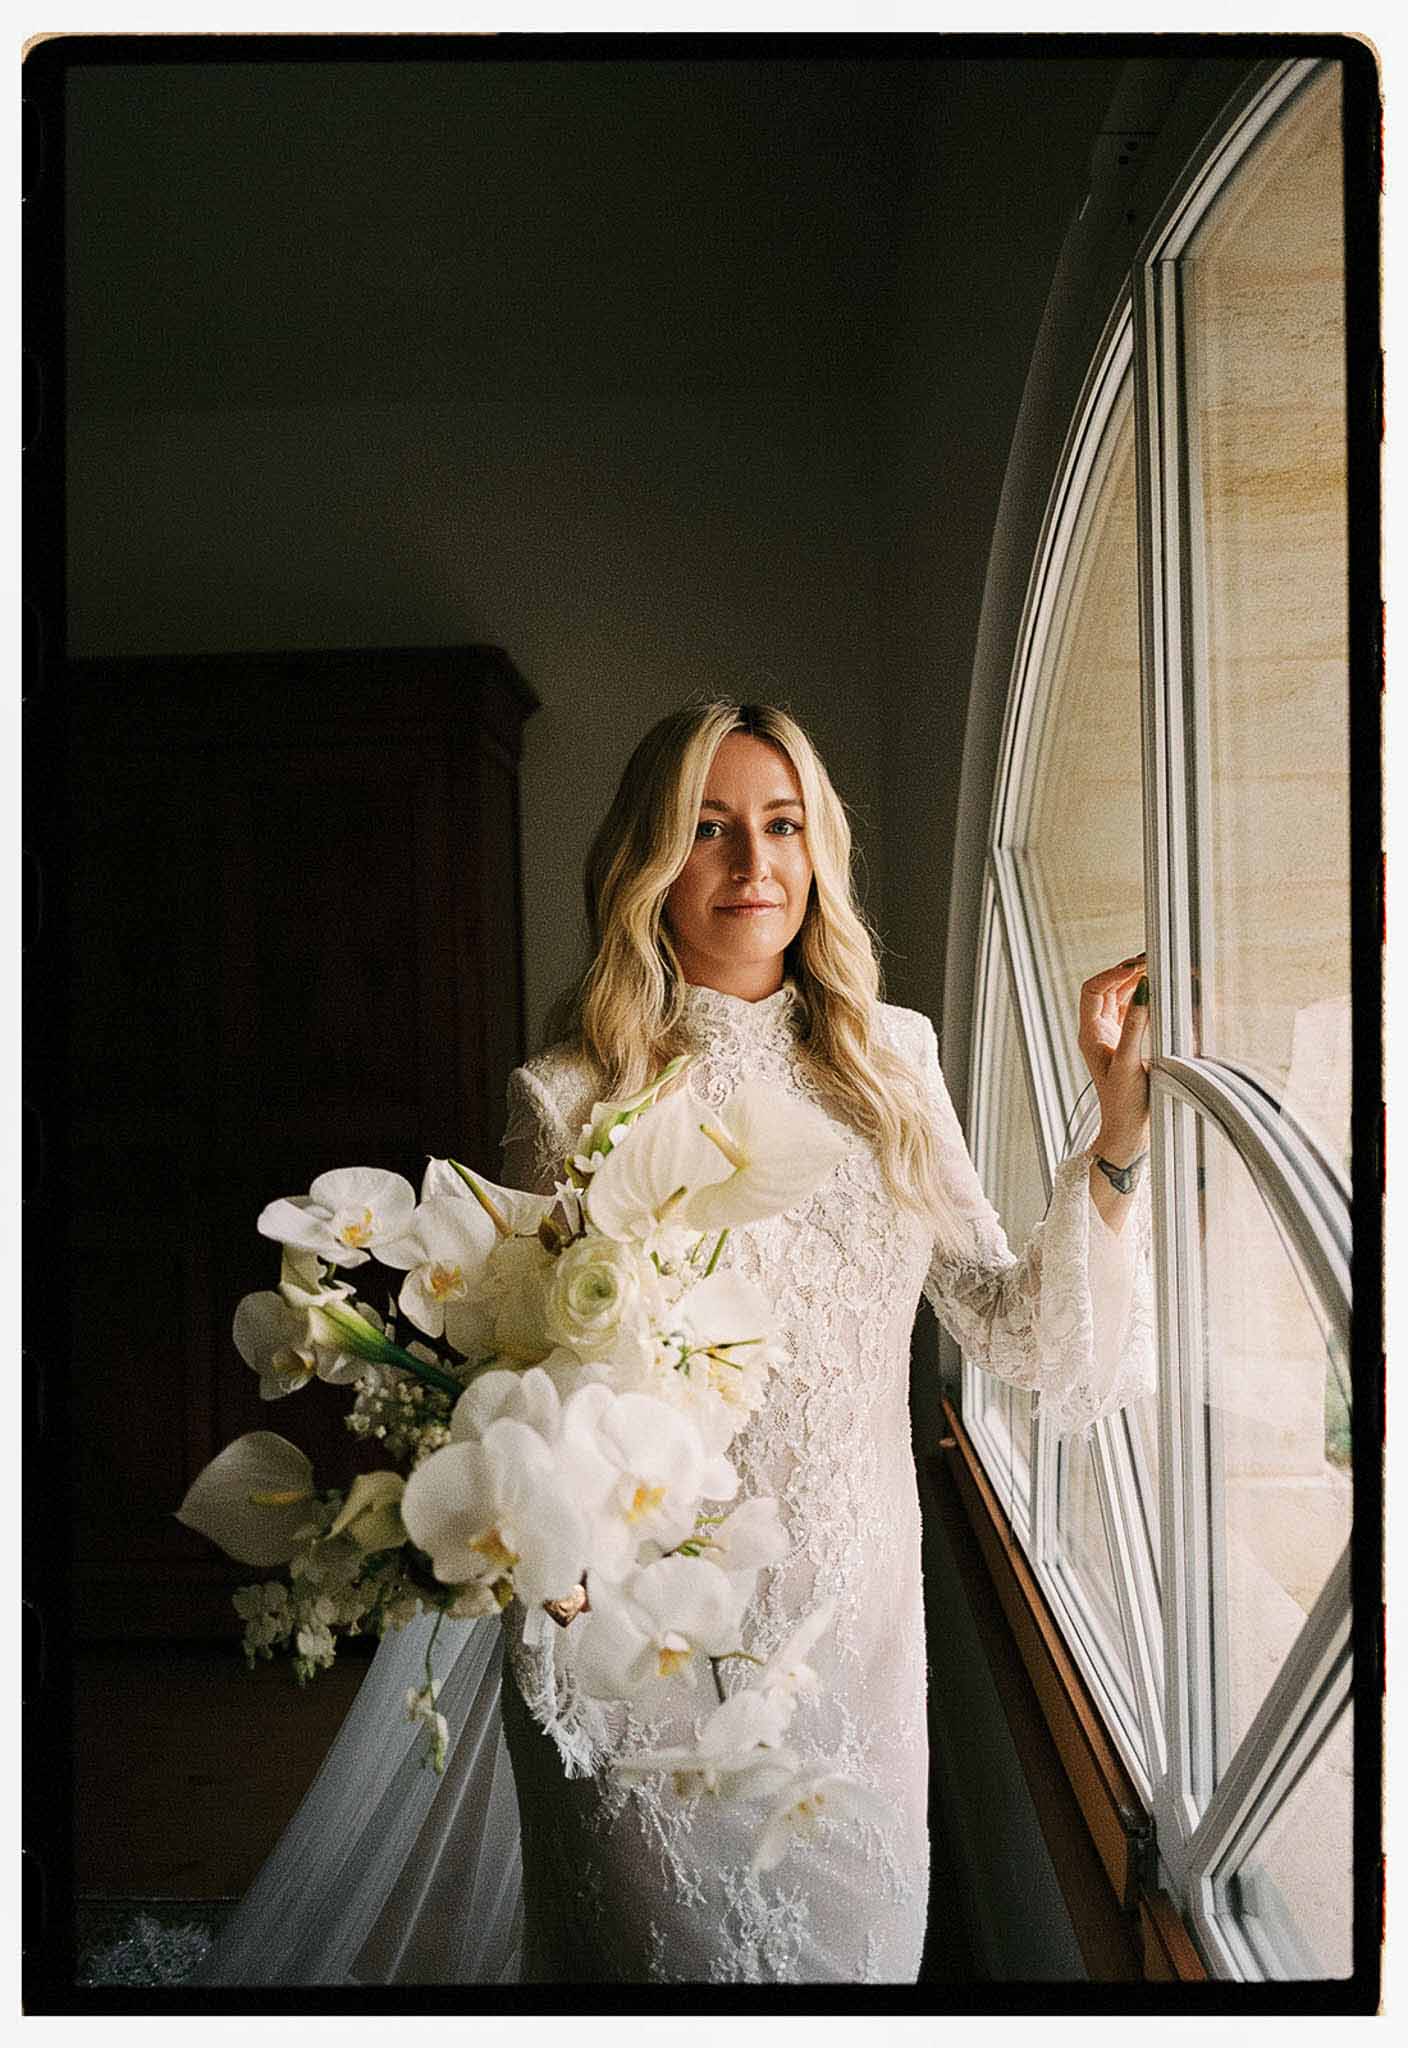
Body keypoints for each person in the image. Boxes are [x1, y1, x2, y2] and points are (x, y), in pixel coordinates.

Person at [191, 699, 1153, 1988]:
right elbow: (535, 1381)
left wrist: (1121, 1136)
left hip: (854, 1637)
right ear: (650, 863)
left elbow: (1021, 1334)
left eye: (780, 825)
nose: (754, 865)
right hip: (640, 1640)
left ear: (818, 852)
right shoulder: (571, 1094)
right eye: (709, 831)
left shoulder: (895, 1064)